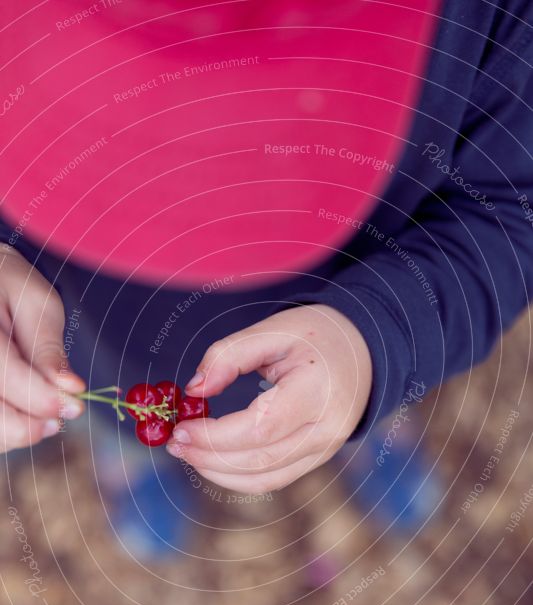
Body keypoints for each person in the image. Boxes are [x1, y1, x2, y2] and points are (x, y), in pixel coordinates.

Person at [1, 0, 532, 505]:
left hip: (342, 308)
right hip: (98, 343)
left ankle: (366, 431)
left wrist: (372, 345)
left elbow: (511, 211)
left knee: (334, 408)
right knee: (115, 411)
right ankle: (130, 456)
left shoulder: (491, 24)